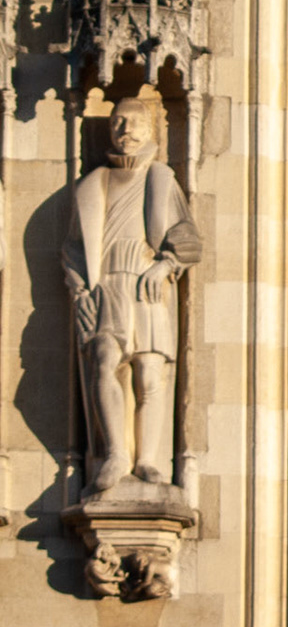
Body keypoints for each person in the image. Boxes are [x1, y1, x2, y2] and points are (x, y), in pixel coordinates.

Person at [63, 98, 202, 496]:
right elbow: (73, 247)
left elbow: (186, 234)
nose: (125, 130)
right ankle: (115, 454)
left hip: (147, 284)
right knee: (105, 363)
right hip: (107, 284)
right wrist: (80, 290)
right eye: (118, 122)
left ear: (149, 130)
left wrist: (166, 264)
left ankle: (148, 459)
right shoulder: (92, 185)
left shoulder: (159, 177)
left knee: (148, 374)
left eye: (134, 123)